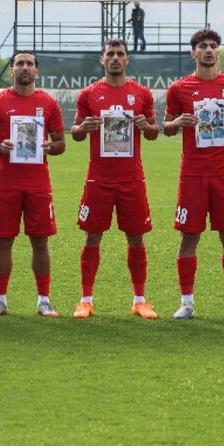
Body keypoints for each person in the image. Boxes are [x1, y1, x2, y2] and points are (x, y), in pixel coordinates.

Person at [163, 28, 224, 320]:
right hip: (193, 173)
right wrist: (179, 120)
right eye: (203, 46)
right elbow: (166, 127)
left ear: (218, 51)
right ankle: (187, 302)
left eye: (213, 46)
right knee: (189, 236)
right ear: (193, 52)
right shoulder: (179, 88)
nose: (208, 50)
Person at [69, 39, 160, 319]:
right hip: (99, 178)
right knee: (92, 236)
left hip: (132, 178)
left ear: (127, 60)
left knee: (136, 238)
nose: (116, 58)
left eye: (120, 54)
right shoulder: (89, 94)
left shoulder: (142, 93)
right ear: (102, 59)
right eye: (111, 54)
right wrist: (82, 127)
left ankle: (140, 300)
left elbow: (154, 131)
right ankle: (85, 300)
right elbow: (75, 131)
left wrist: (147, 126)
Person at [0, 51, 66, 317]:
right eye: (19, 64)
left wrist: (50, 147)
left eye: (29, 64)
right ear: (11, 70)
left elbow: (61, 143)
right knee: (3, 241)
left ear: (36, 71)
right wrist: (0, 147)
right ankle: (0, 299)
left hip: (39, 185)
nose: (25, 68)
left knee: (40, 242)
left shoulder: (48, 103)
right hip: (7, 184)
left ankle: (43, 300)